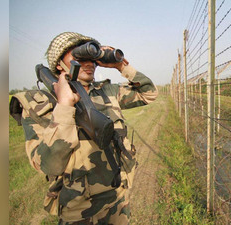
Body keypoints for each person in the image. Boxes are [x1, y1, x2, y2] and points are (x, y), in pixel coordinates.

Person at [11, 32, 158, 224]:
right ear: (58, 63)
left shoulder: (107, 92)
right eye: (79, 56)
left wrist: (120, 65)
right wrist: (64, 107)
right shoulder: (39, 104)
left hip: (117, 199)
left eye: (93, 58)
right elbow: (48, 164)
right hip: (79, 211)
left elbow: (149, 93)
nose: (89, 63)